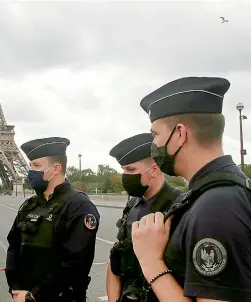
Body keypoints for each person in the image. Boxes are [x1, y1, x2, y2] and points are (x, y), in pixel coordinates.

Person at [131, 77, 251, 301]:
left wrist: (151, 262)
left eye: (155, 135)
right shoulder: (212, 195)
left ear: (179, 133)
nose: (153, 145)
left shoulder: (217, 207)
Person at [5, 137, 100, 302]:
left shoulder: (79, 206)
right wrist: (16, 287)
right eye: (30, 166)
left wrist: (34, 295)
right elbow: (14, 246)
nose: (30, 171)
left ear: (55, 168)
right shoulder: (29, 205)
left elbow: (74, 263)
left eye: (36, 166)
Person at [106, 133, 183, 302]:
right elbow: (115, 260)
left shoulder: (179, 206)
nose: (125, 175)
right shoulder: (133, 204)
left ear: (154, 170)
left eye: (131, 170)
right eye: (124, 170)